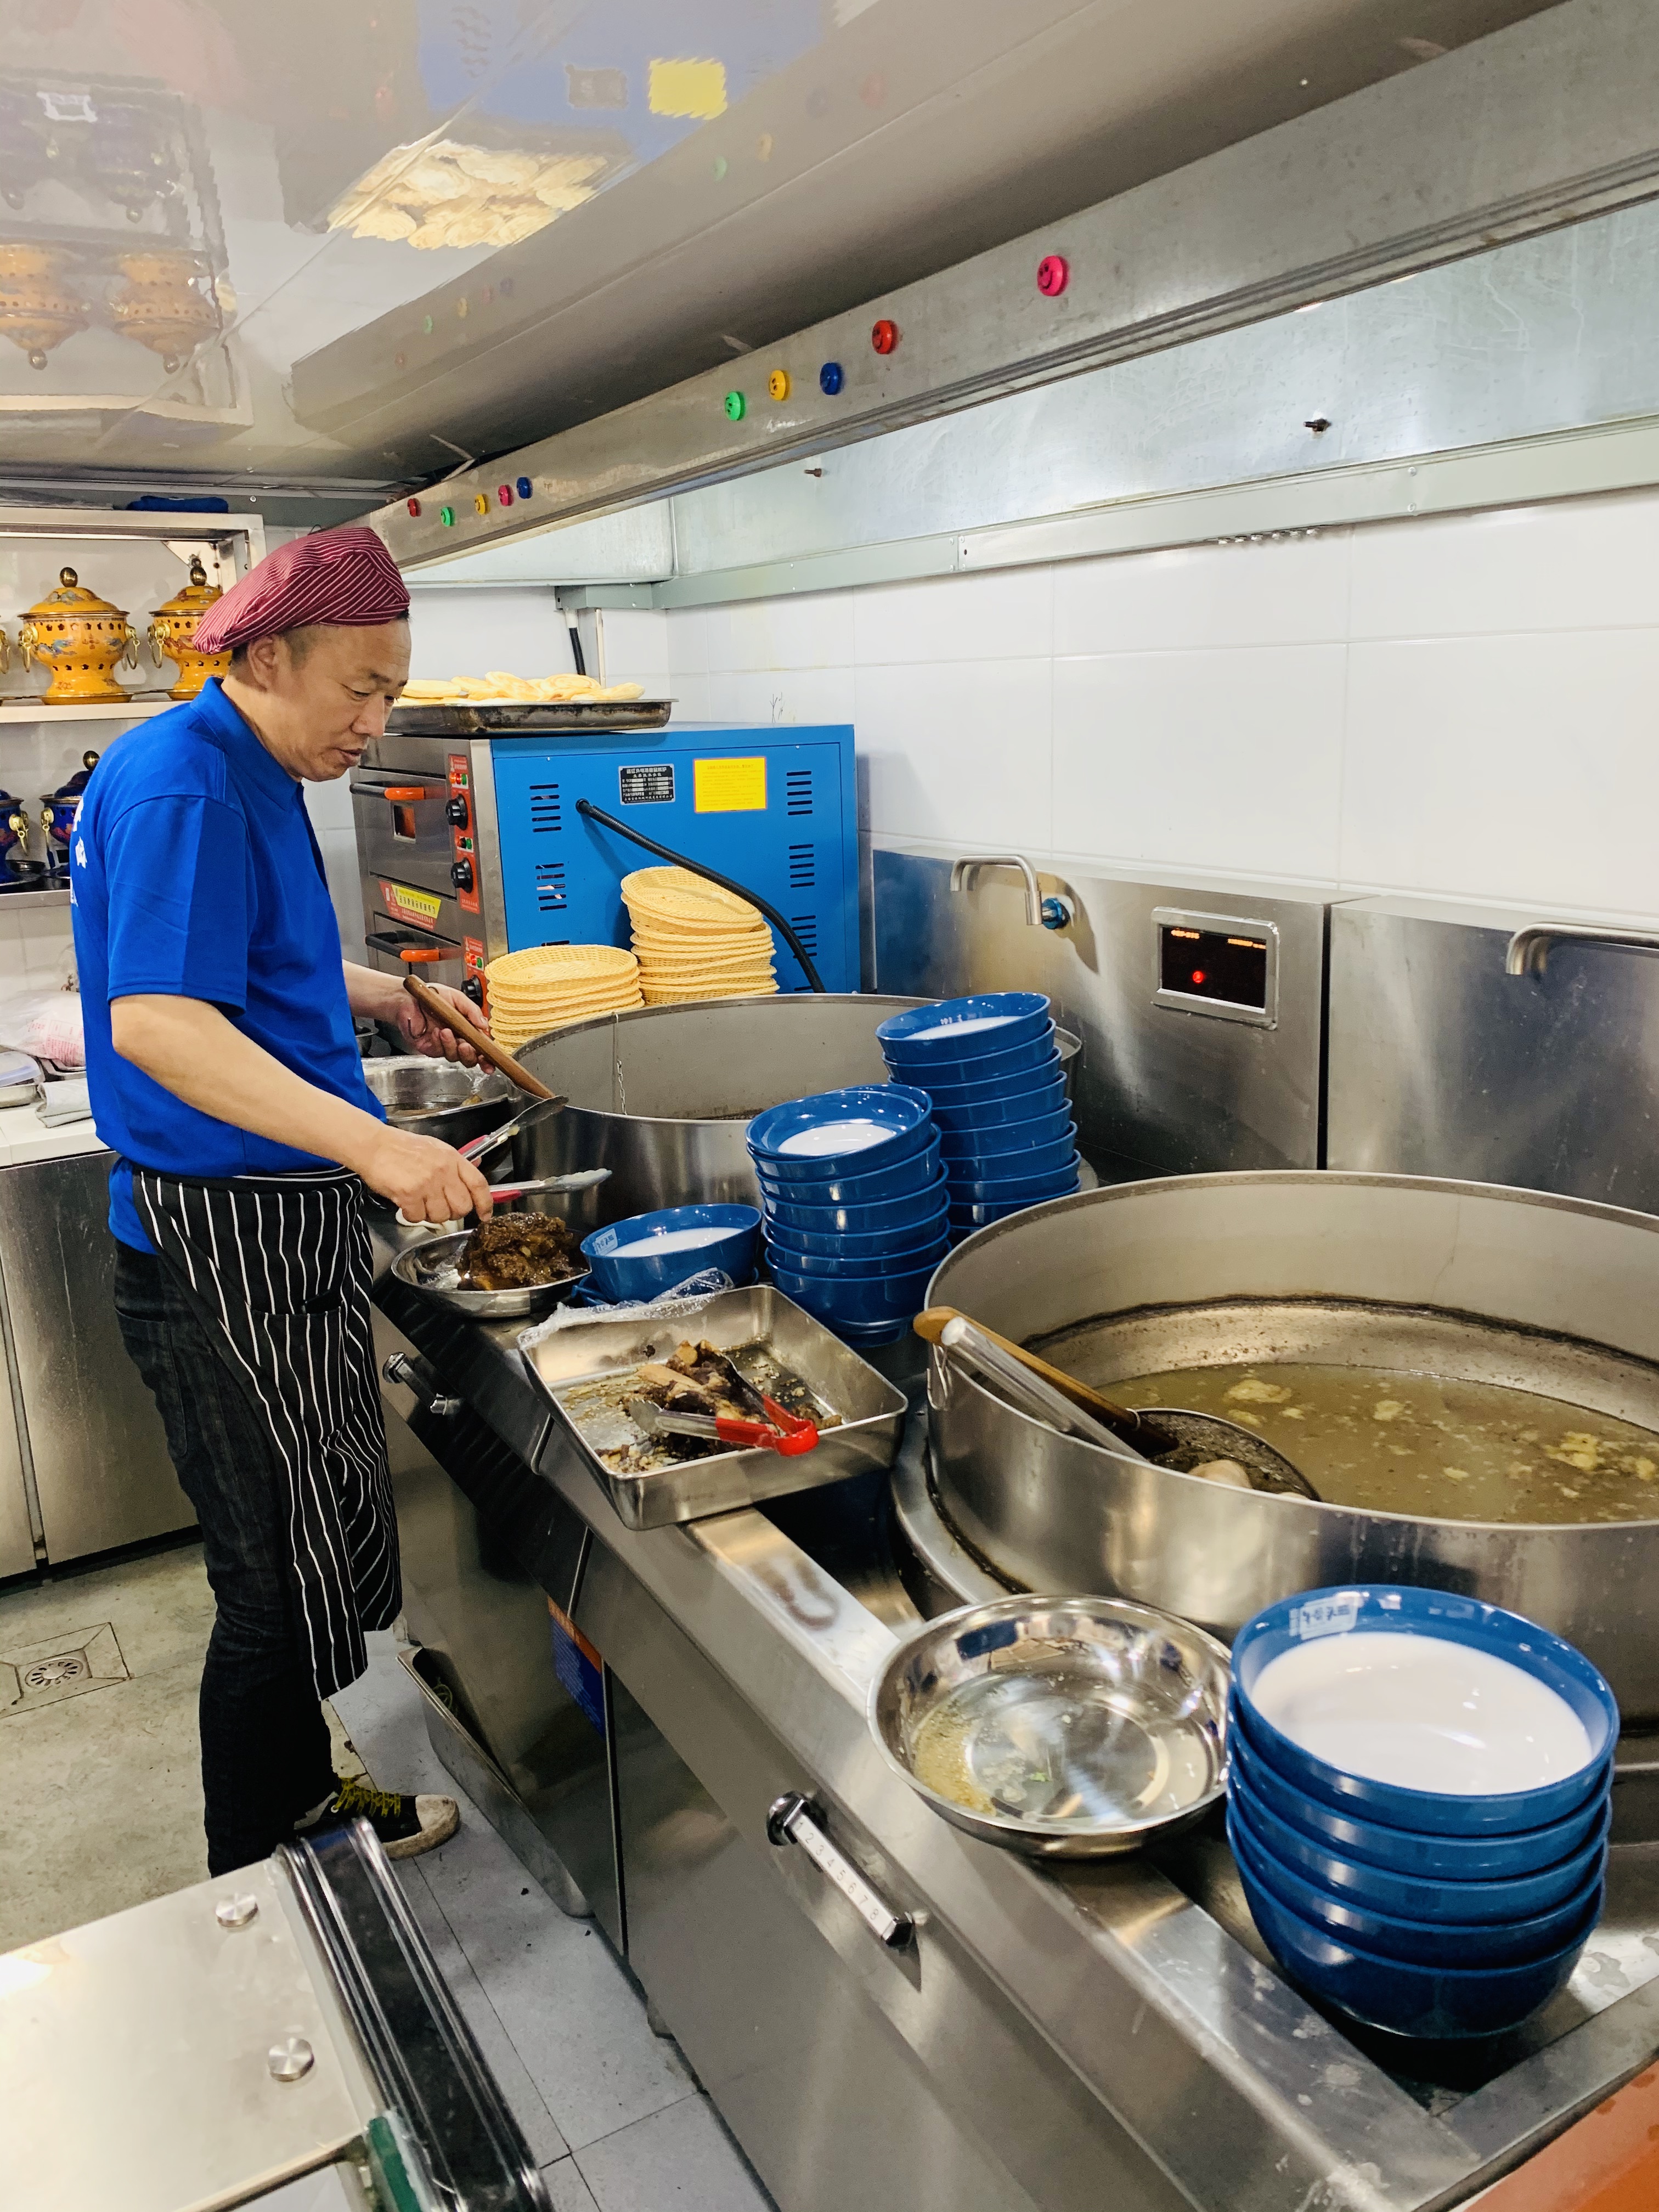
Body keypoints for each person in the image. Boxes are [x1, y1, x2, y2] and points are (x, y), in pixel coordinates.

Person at [71, 526, 496, 1876]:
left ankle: (301, 1796)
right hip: (219, 1245)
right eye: (359, 690)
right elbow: (160, 1025)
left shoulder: (249, 762)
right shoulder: (185, 788)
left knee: (313, 1544)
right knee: (268, 1583)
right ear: (265, 655)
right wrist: (379, 1150)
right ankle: (256, 1867)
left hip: (271, 1218)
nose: (376, 723)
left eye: (394, 694)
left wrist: (391, 996)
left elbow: (247, 968)